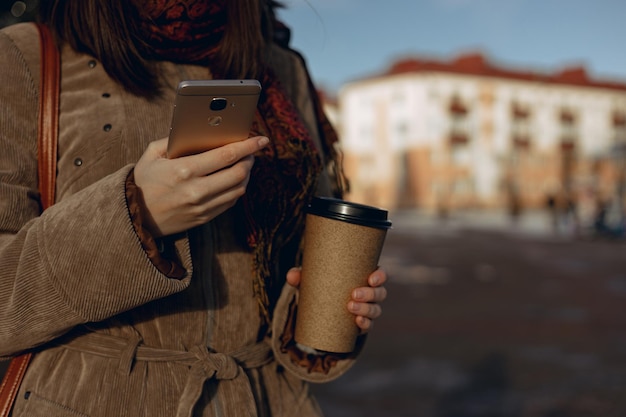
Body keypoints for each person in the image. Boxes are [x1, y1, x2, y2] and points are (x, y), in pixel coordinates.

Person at [0, 1, 388, 416]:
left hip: (266, 400)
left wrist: (319, 306)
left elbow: (306, 247)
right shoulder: (26, 55)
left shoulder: (281, 67)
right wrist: (137, 216)